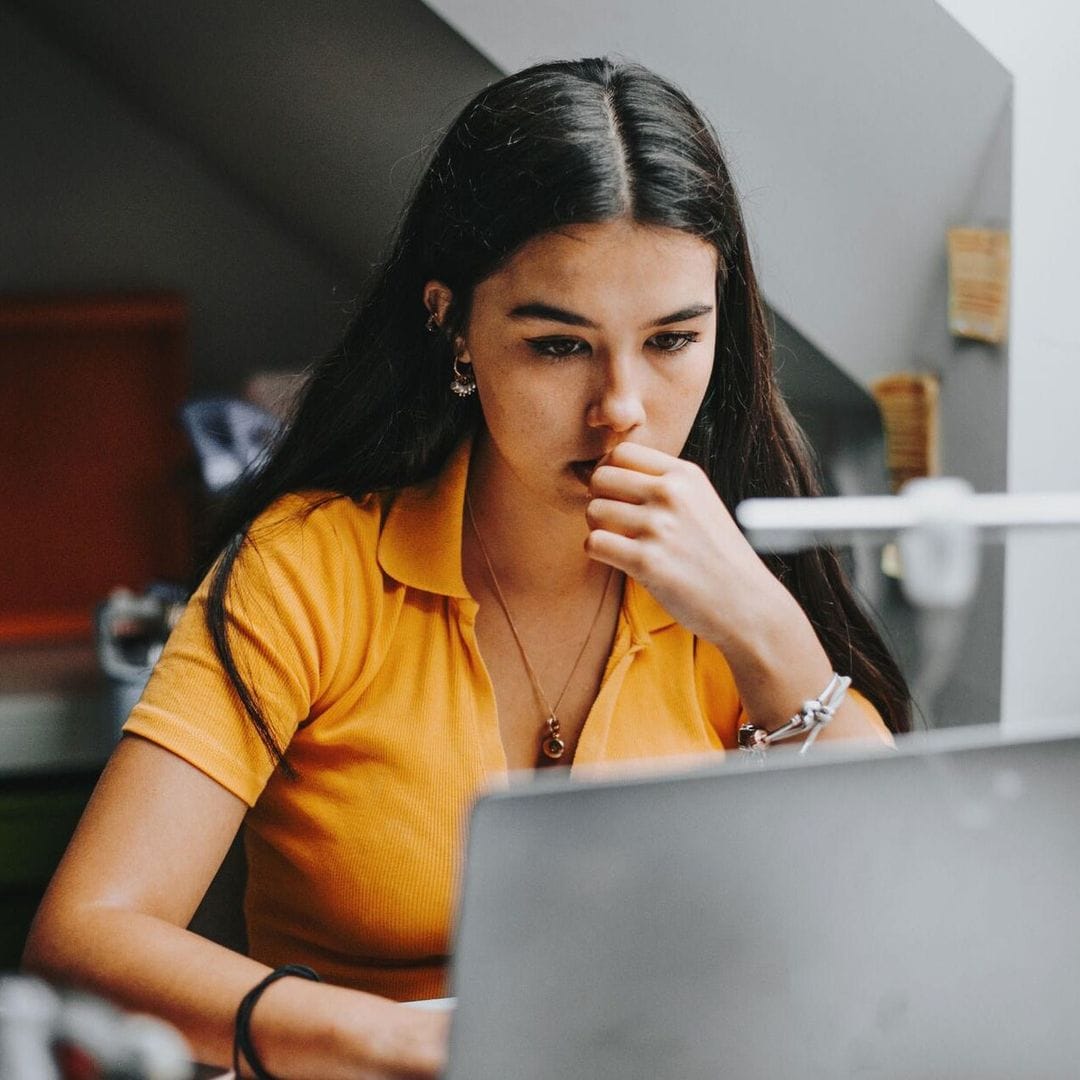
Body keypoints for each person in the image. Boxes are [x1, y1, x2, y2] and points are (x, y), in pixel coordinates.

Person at [23, 57, 910, 1078]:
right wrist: (390, 1037)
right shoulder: (309, 568)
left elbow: (888, 921)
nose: (622, 407)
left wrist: (766, 629)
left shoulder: (735, 582)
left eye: (671, 340)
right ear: (453, 325)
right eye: (557, 347)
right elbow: (82, 939)